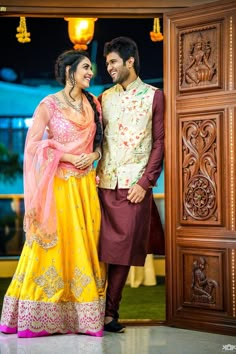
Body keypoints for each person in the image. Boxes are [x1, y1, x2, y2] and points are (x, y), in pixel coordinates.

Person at [0, 50, 106, 338]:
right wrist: (68, 157)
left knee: (83, 247)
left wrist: (94, 154)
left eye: (91, 69)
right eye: (85, 68)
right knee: (52, 248)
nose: (90, 73)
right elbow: (33, 147)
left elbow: (100, 143)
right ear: (70, 71)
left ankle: (81, 318)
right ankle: (40, 316)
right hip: (58, 188)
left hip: (85, 187)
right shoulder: (49, 104)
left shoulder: (93, 103)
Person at [97, 36, 164, 333]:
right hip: (101, 184)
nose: (108, 67)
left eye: (113, 61)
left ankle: (110, 314)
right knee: (98, 249)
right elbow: (96, 139)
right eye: (107, 62)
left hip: (133, 188)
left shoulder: (153, 96)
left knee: (122, 252)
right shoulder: (104, 98)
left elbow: (160, 142)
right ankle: (91, 312)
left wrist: (146, 182)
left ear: (130, 61)